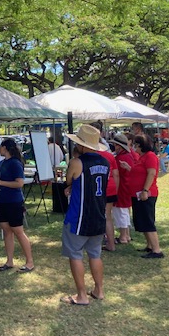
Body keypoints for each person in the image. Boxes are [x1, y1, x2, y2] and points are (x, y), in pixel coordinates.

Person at [60, 124, 109, 305]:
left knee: (75, 254)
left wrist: (72, 185)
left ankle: (81, 296)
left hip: (79, 217)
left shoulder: (76, 162)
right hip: (98, 215)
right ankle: (99, 290)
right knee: (95, 254)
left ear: (81, 144)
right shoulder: (105, 162)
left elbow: (69, 179)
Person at [0, 138, 34, 272]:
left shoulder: (15, 163)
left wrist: (1, 183)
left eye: (0, 147)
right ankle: (9, 261)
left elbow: (19, 183)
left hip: (13, 202)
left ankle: (30, 262)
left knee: (18, 231)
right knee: (6, 230)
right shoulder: (1, 164)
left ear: (5, 148)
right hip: (1, 201)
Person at [126, 134, 164, 258]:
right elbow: (139, 172)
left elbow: (151, 173)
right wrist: (129, 168)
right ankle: (150, 245)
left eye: (135, 145)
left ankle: (157, 250)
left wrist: (145, 190)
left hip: (146, 193)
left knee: (148, 221)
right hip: (137, 194)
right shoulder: (141, 157)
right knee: (142, 220)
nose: (134, 147)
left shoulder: (150, 156)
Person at [111, 133, 134, 244]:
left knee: (120, 212)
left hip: (121, 187)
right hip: (127, 186)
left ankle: (123, 236)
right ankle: (126, 235)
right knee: (124, 211)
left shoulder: (121, 158)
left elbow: (117, 174)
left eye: (115, 145)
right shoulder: (128, 155)